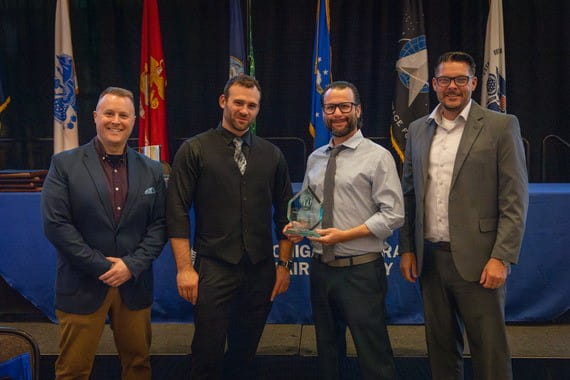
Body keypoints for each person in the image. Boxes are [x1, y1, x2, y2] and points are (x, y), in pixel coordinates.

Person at [399, 51, 528, 380]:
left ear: (473, 83)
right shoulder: (417, 129)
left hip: (480, 261)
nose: (451, 87)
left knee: (489, 355)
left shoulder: (501, 126)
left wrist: (502, 256)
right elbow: (409, 194)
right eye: (444, 80)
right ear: (434, 84)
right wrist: (408, 249)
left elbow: (514, 198)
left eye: (459, 80)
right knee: (441, 350)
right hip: (430, 260)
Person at [167, 74, 293, 379]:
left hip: (260, 270)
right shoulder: (194, 149)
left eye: (252, 105)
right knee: (206, 355)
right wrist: (185, 269)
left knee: (244, 355)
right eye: (238, 102)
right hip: (213, 267)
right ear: (223, 101)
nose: (244, 110)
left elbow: (286, 215)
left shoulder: (272, 155)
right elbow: (177, 211)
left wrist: (284, 265)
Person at [41, 86, 167, 380]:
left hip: (134, 286)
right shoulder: (64, 165)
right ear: (95, 116)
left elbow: (160, 225)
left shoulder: (152, 170)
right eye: (109, 113)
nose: (115, 121)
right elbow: (56, 226)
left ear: (133, 120)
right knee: (73, 371)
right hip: (82, 285)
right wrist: (104, 266)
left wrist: (130, 266)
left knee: (138, 366)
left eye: (123, 115)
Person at [286, 81, 404, 380]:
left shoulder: (378, 156)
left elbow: (393, 215)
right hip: (321, 270)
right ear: (323, 113)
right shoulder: (316, 158)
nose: (337, 113)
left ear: (358, 110)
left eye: (344, 106)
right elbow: (310, 207)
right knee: (327, 353)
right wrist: (300, 227)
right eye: (330, 107)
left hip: (361, 272)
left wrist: (345, 235)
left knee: (373, 354)